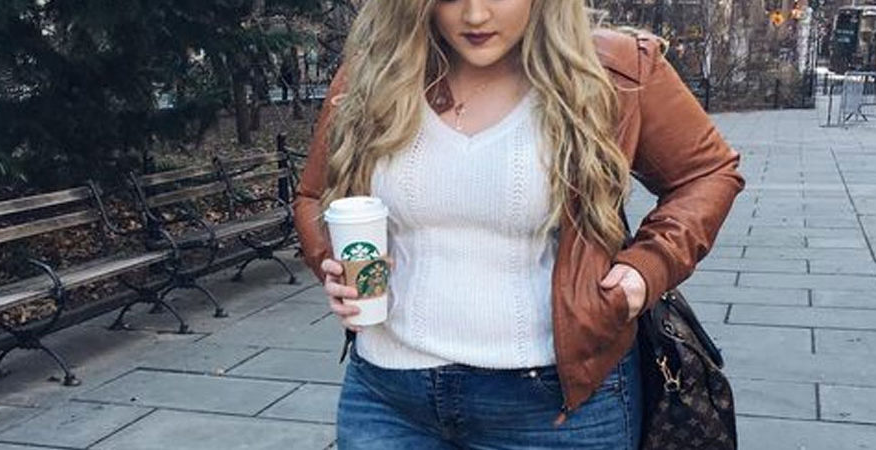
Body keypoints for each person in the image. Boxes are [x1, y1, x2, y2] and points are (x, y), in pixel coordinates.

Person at [292, 0, 744, 448]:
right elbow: (314, 196)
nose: (475, 15)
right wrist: (335, 262)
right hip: (387, 399)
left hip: (558, 409)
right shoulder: (375, 73)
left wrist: (648, 267)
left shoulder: (611, 71)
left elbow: (707, 173)